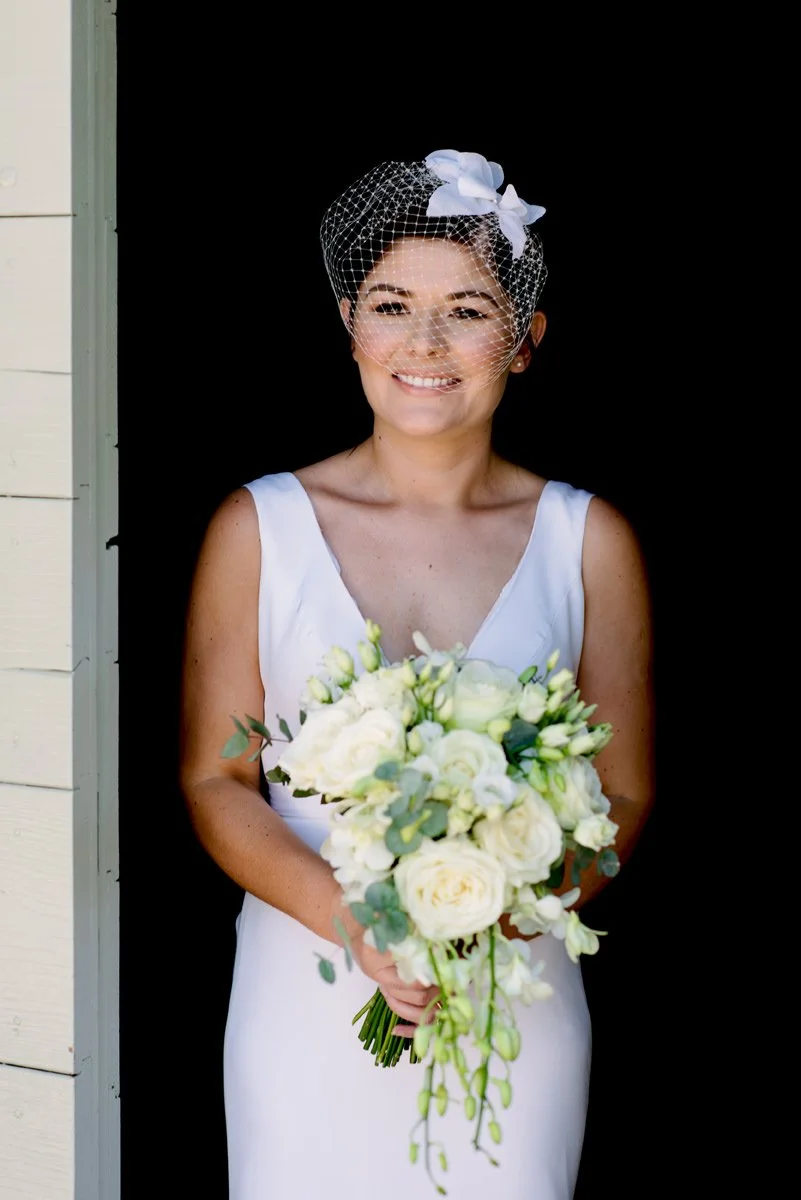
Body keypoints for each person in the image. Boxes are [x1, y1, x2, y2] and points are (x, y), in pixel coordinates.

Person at [178, 149, 655, 1200]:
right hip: (304, 986)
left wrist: (506, 908)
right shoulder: (258, 528)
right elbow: (219, 780)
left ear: (524, 342)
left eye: (469, 311)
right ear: (350, 321)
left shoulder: (590, 540)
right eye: (392, 305)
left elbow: (622, 791)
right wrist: (363, 929)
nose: (425, 344)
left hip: (510, 996)